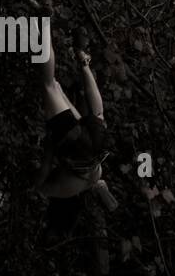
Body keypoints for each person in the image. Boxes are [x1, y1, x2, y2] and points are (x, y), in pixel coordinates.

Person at [33, 27, 116, 240]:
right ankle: (41, 21)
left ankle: (84, 63)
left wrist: (65, 99)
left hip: (96, 145)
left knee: (98, 114)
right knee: (48, 84)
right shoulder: (62, 190)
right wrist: (50, 147)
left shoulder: (97, 176)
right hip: (78, 145)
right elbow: (41, 180)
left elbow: (81, 123)